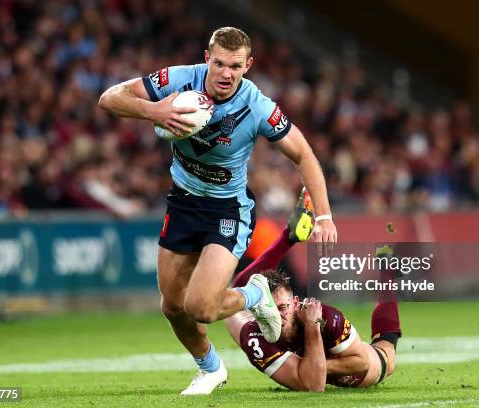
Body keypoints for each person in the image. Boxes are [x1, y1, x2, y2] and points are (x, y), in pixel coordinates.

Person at [98, 27, 338, 395]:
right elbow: (110, 98)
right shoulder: (180, 79)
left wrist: (323, 216)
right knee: (172, 306)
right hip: (182, 202)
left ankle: (256, 293)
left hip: (228, 209)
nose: (226, 73)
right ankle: (210, 368)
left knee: (203, 307)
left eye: (236, 66)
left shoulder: (257, 106)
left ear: (248, 65)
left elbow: (303, 154)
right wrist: (155, 111)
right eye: (220, 63)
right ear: (207, 57)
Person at [226, 196, 401, 391]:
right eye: (270, 308)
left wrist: (312, 333)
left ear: (295, 302)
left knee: (386, 345)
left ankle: (387, 270)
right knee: (237, 293)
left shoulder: (324, 317)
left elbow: (361, 364)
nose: (277, 315)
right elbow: (235, 296)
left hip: (375, 364)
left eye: (283, 307)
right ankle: (290, 236)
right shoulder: (254, 334)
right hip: (318, 365)